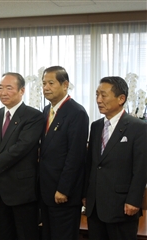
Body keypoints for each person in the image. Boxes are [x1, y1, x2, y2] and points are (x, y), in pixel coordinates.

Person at [0, 72, 45, 240]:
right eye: (0, 88)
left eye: (9, 88)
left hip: (23, 191)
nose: (3, 92)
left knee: (25, 235)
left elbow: (21, 148)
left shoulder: (33, 116)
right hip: (0, 191)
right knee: (5, 235)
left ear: (22, 91)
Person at [83, 76, 147, 240]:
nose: (98, 100)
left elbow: (141, 168)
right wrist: (85, 194)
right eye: (97, 95)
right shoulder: (96, 126)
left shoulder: (138, 128)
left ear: (121, 98)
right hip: (95, 206)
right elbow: (90, 164)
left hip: (122, 206)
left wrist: (134, 200)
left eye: (103, 95)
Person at [39, 66, 89, 240]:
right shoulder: (47, 110)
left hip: (63, 193)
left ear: (65, 84)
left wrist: (64, 189)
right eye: (44, 83)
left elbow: (75, 156)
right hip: (46, 191)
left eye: (51, 83)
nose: (46, 87)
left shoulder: (77, 112)